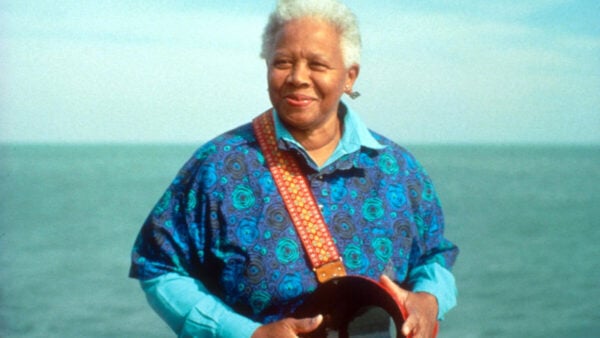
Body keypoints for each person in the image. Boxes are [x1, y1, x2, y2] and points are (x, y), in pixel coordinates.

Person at [129, 0, 459, 337]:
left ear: (350, 76)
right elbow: (157, 264)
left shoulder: (397, 169)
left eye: (317, 64)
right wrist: (246, 334)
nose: (298, 77)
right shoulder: (218, 166)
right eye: (283, 62)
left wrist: (430, 299)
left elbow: (433, 255)